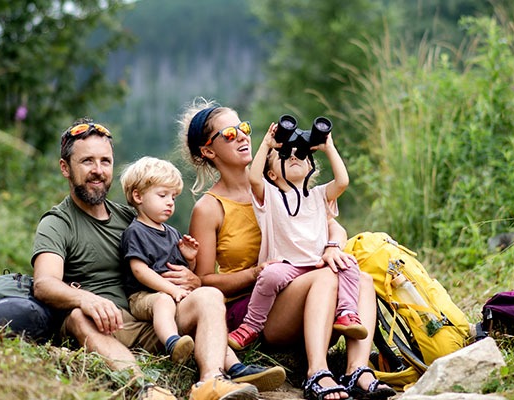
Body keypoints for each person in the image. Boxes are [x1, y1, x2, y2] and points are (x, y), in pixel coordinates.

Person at [31, 118, 285, 400]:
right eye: (87, 162)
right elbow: (44, 284)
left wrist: (191, 275)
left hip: (154, 319)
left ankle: (211, 381)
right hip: (103, 323)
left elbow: (170, 258)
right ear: (65, 167)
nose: (98, 170)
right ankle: (145, 388)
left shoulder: (130, 216)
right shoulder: (58, 222)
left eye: (105, 161)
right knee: (79, 317)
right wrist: (87, 299)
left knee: (209, 295)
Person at [179, 100, 397, 400]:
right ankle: (317, 373)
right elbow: (204, 280)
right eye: (229, 134)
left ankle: (357, 370)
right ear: (208, 151)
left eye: (243, 128)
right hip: (259, 307)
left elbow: (327, 222)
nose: (243, 136)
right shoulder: (210, 208)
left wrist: (333, 245)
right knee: (326, 277)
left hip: (304, 293)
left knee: (361, 279)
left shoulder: (280, 183)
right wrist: (256, 272)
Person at [226, 119, 367, 350]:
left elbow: (342, 182)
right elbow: (253, 178)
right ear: (271, 175)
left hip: (318, 263)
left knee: (350, 265)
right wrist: (268, 144)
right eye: (285, 155)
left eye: (300, 155)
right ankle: (251, 326)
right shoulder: (270, 197)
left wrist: (328, 147)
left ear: (310, 166)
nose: (294, 157)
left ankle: (347, 313)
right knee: (269, 275)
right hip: (286, 264)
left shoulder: (320, 195)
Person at [119, 156, 199, 364]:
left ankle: (232, 364)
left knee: (205, 300)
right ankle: (172, 343)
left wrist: (190, 261)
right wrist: (171, 291)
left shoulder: (171, 232)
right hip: (143, 297)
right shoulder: (136, 231)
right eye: (162, 195)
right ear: (138, 196)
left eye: (173, 197)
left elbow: (180, 272)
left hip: (172, 295)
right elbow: (139, 270)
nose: (170, 202)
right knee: (163, 300)